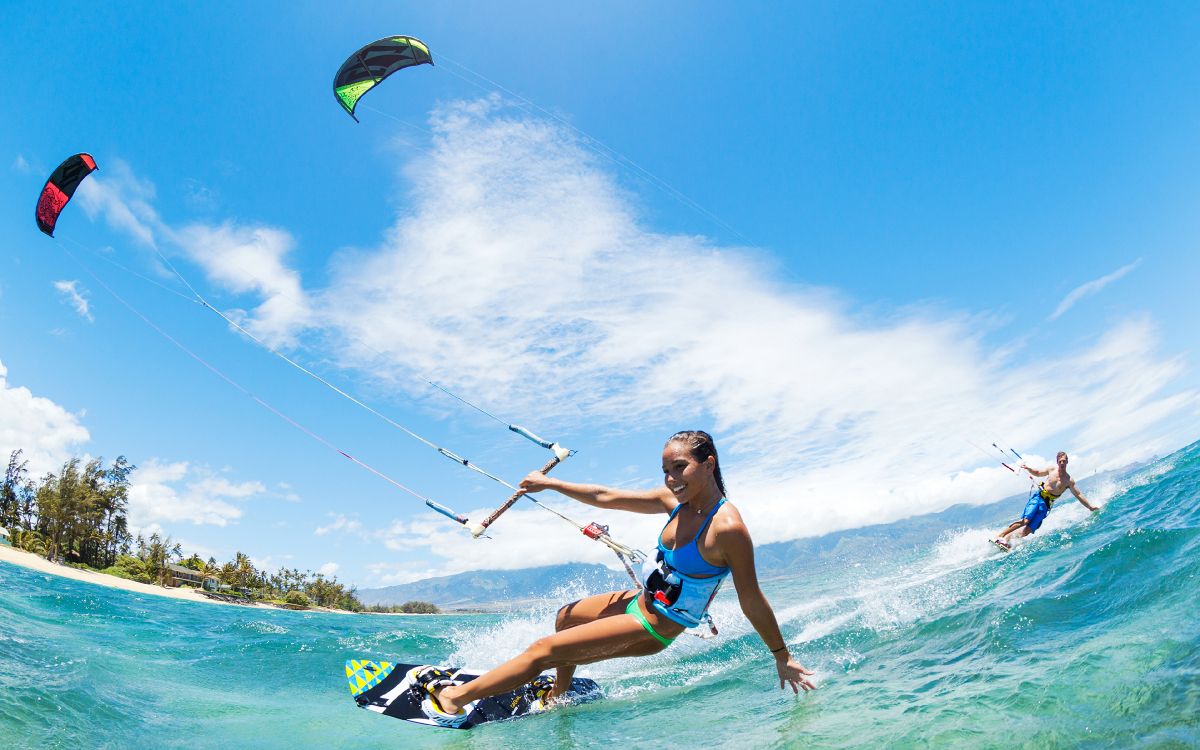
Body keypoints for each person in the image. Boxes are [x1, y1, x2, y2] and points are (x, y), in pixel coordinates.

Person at [409, 430, 816, 726]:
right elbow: (605, 496)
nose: (672, 479)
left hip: (654, 627)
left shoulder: (726, 528)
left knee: (543, 650)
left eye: (680, 468)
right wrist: (550, 483)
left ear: (708, 464)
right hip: (640, 601)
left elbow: (752, 597)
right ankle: (558, 695)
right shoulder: (675, 501)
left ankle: (453, 699)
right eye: (666, 471)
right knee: (566, 616)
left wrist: (782, 655)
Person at [992, 451, 1097, 549]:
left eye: (1064, 461)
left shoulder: (1069, 481)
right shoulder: (1051, 470)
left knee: (1027, 530)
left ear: (1067, 462)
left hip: (1046, 505)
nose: (1062, 463)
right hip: (1038, 498)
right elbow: (1037, 472)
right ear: (1057, 462)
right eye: (1060, 461)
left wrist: (1090, 507)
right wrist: (1028, 468)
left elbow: (1078, 494)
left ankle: (1007, 541)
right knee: (1026, 520)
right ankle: (1000, 536)